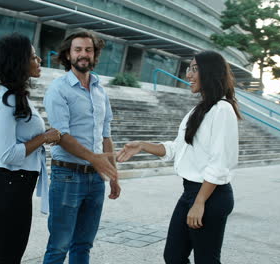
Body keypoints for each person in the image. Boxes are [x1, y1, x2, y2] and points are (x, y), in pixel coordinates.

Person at [117, 50, 241, 264]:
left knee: (206, 260)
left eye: (194, 69)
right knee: (173, 256)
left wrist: (200, 202)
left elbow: (220, 163)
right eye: (188, 68)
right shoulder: (200, 109)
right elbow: (176, 148)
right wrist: (143, 146)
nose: (188, 75)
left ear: (210, 72)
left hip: (210, 195)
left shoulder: (222, 110)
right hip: (191, 192)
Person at [42, 31, 121, 264]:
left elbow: (106, 136)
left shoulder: (100, 90)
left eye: (88, 49)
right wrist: (95, 159)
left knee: (84, 245)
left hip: (95, 179)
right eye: (78, 49)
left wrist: (113, 174)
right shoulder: (58, 88)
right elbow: (60, 136)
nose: (83, 54)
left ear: (95, 54)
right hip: (67, 175)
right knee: (59, 246)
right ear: (68, 54)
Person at [0, 33, 61, 264]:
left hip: (16, 185)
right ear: (19, 61)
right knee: (8, 256)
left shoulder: (16, 97)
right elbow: (7, 154)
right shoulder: (7, 102)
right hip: (9, 184)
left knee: (4, 255)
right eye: (34, 57)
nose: (39, 62)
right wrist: (44, 137)